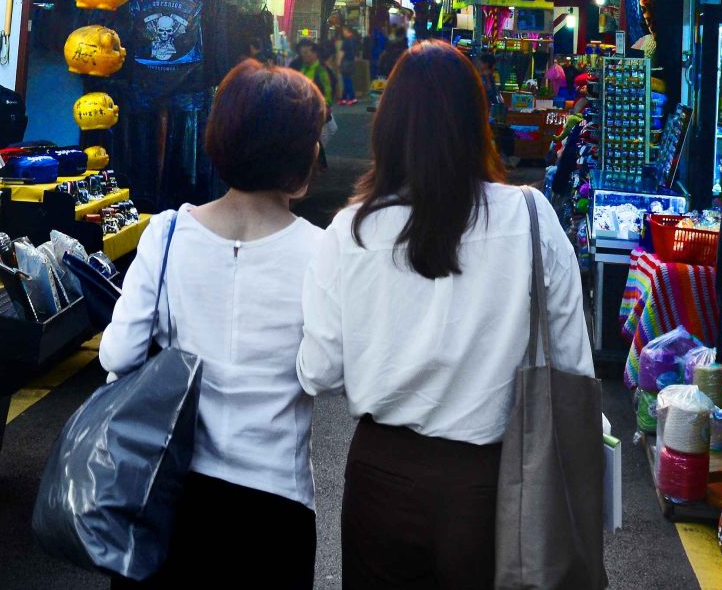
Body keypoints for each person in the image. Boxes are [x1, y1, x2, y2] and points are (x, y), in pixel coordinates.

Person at [298, 41, 592, 590]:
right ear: (477, 122)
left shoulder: (351, 230)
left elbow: (319, 371)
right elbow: (572, 364)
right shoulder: (530, 217)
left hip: (379, 480)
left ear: (388, 129)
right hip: (496, 485)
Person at [97, 59, 330, 589]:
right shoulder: (323, 251)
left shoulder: (167, 232)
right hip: (274, 506)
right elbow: (327, 373)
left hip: (165, 492)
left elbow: (119, 356)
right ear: (302, 155)